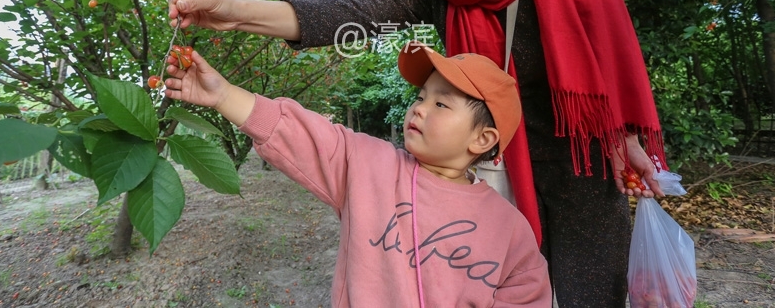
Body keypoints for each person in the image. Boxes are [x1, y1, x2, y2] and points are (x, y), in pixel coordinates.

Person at [166, 0, 668, 307]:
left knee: (591, 295)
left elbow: (611, 75)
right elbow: (360, 15)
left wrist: (627, 143)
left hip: (580, 170)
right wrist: (233, 11)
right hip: (493, 163)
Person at [163, 41, 553, 307]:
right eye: (420, 97)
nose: (419, 108)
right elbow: (302, 133)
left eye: (441, 104)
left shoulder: (508, 231)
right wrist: (223, 95)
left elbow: (526, 294)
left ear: (482, 139)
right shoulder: (369, 166)